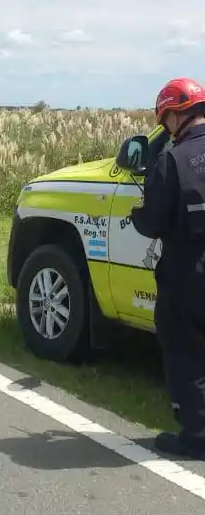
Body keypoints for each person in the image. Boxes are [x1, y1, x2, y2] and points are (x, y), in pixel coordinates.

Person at [130, 77, 205, 459]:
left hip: (189, 269)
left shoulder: (171, 159)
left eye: (166, 121)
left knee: (185, 348)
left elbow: (152, 222)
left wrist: (136, 214)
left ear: (175, 115)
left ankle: (196, 436)